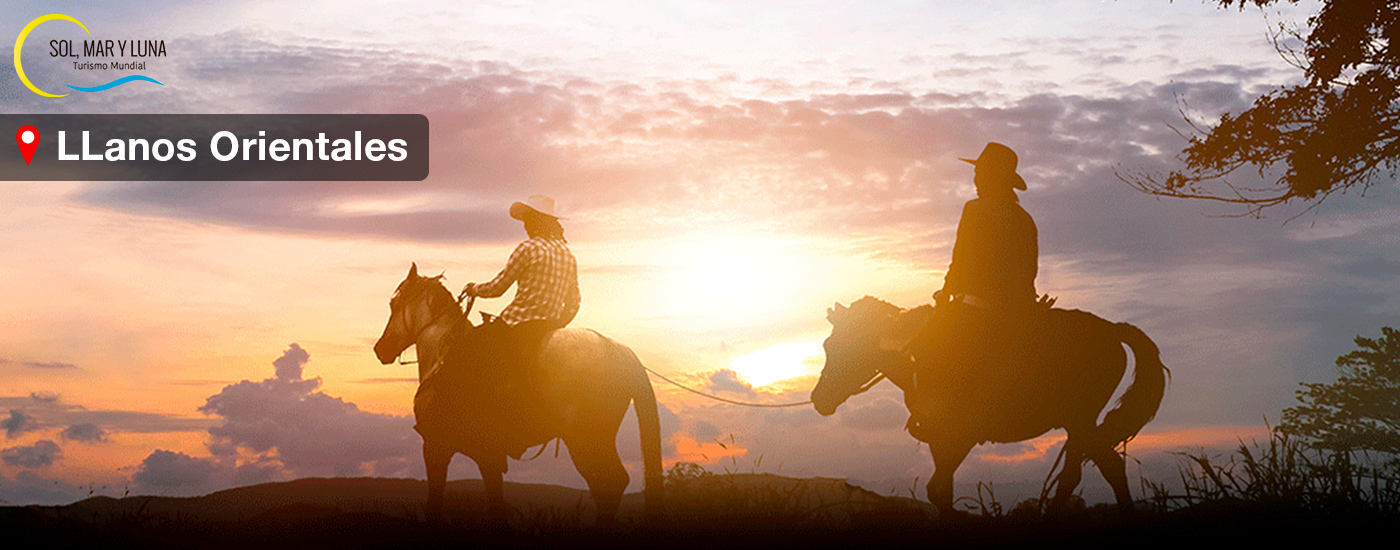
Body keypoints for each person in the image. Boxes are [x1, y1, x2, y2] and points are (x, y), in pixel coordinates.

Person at [907, 142, 1040, 439]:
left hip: (982, 306)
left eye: (980, 173)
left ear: (991, 177)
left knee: (926, 347)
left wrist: (946, 293)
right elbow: (1030, 270)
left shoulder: (975, 210)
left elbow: (961, 260)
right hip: (1021, 308)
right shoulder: (1025, 219)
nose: (976, 179)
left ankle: (937, 418)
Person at [458, 194, 580, 455]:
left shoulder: (527, 248)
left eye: (527, 219)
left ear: (536, 222)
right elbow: (574, 302)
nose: (524, 225)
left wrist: (473, 289)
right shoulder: (568, 255)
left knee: (471, 353)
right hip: (550, 327)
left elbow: (498, 287)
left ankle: (486, 425)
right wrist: (556, 324)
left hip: (518, 323)